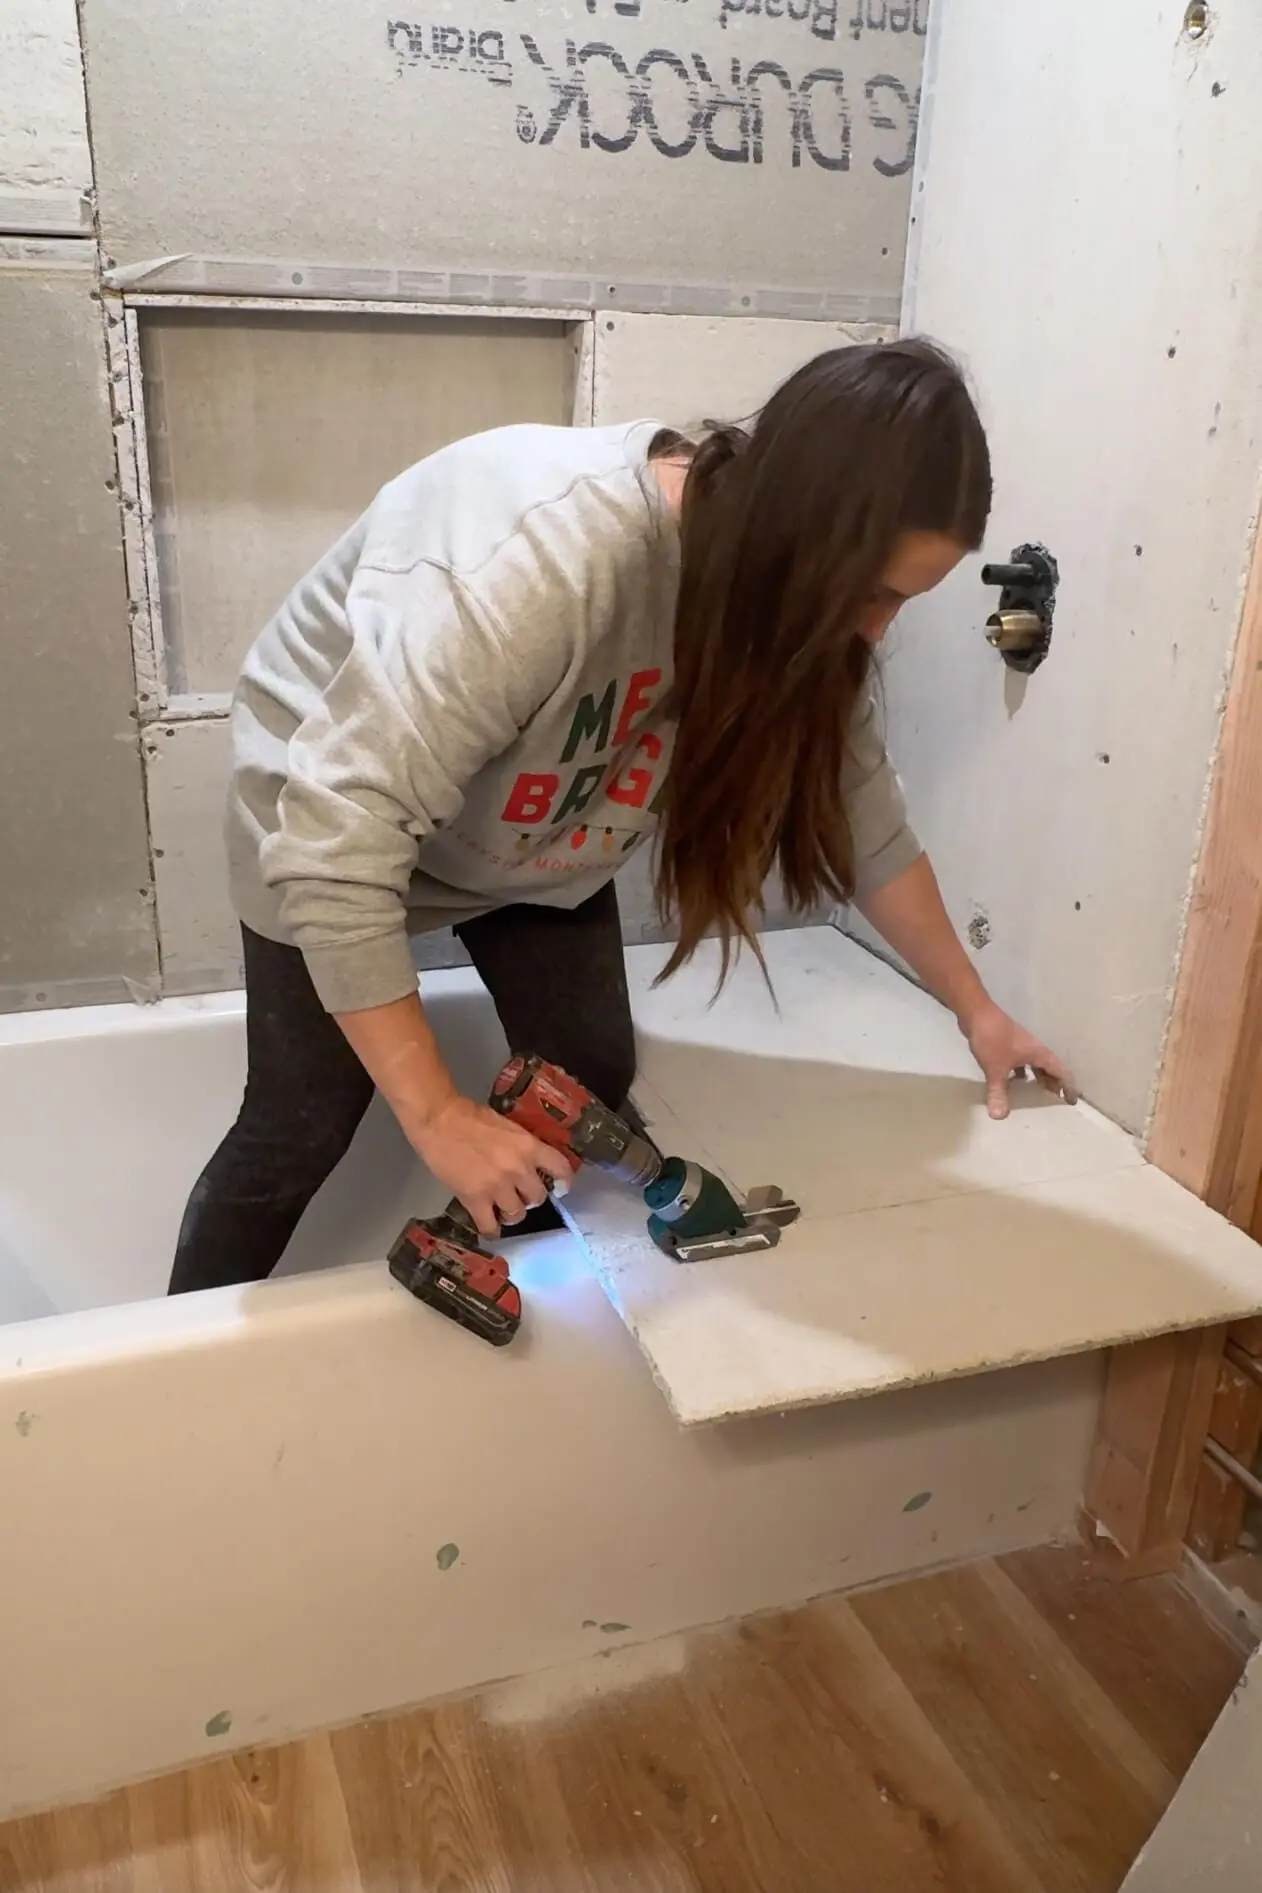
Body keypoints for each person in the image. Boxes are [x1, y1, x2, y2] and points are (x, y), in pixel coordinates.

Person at [168, 338, 1076, 1296]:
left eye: (905, 602)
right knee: (302, 1121)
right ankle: (166, 1353)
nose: (876, 628)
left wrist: (978, 1011)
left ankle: (475, 1266)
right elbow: (335, 839)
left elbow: (863, 816)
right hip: (321, 817)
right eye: (875, 593)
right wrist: (437, 1115)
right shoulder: (547, 564)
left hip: (528, 838)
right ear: (798, 533)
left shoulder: (796, 610)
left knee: (589, 1073)